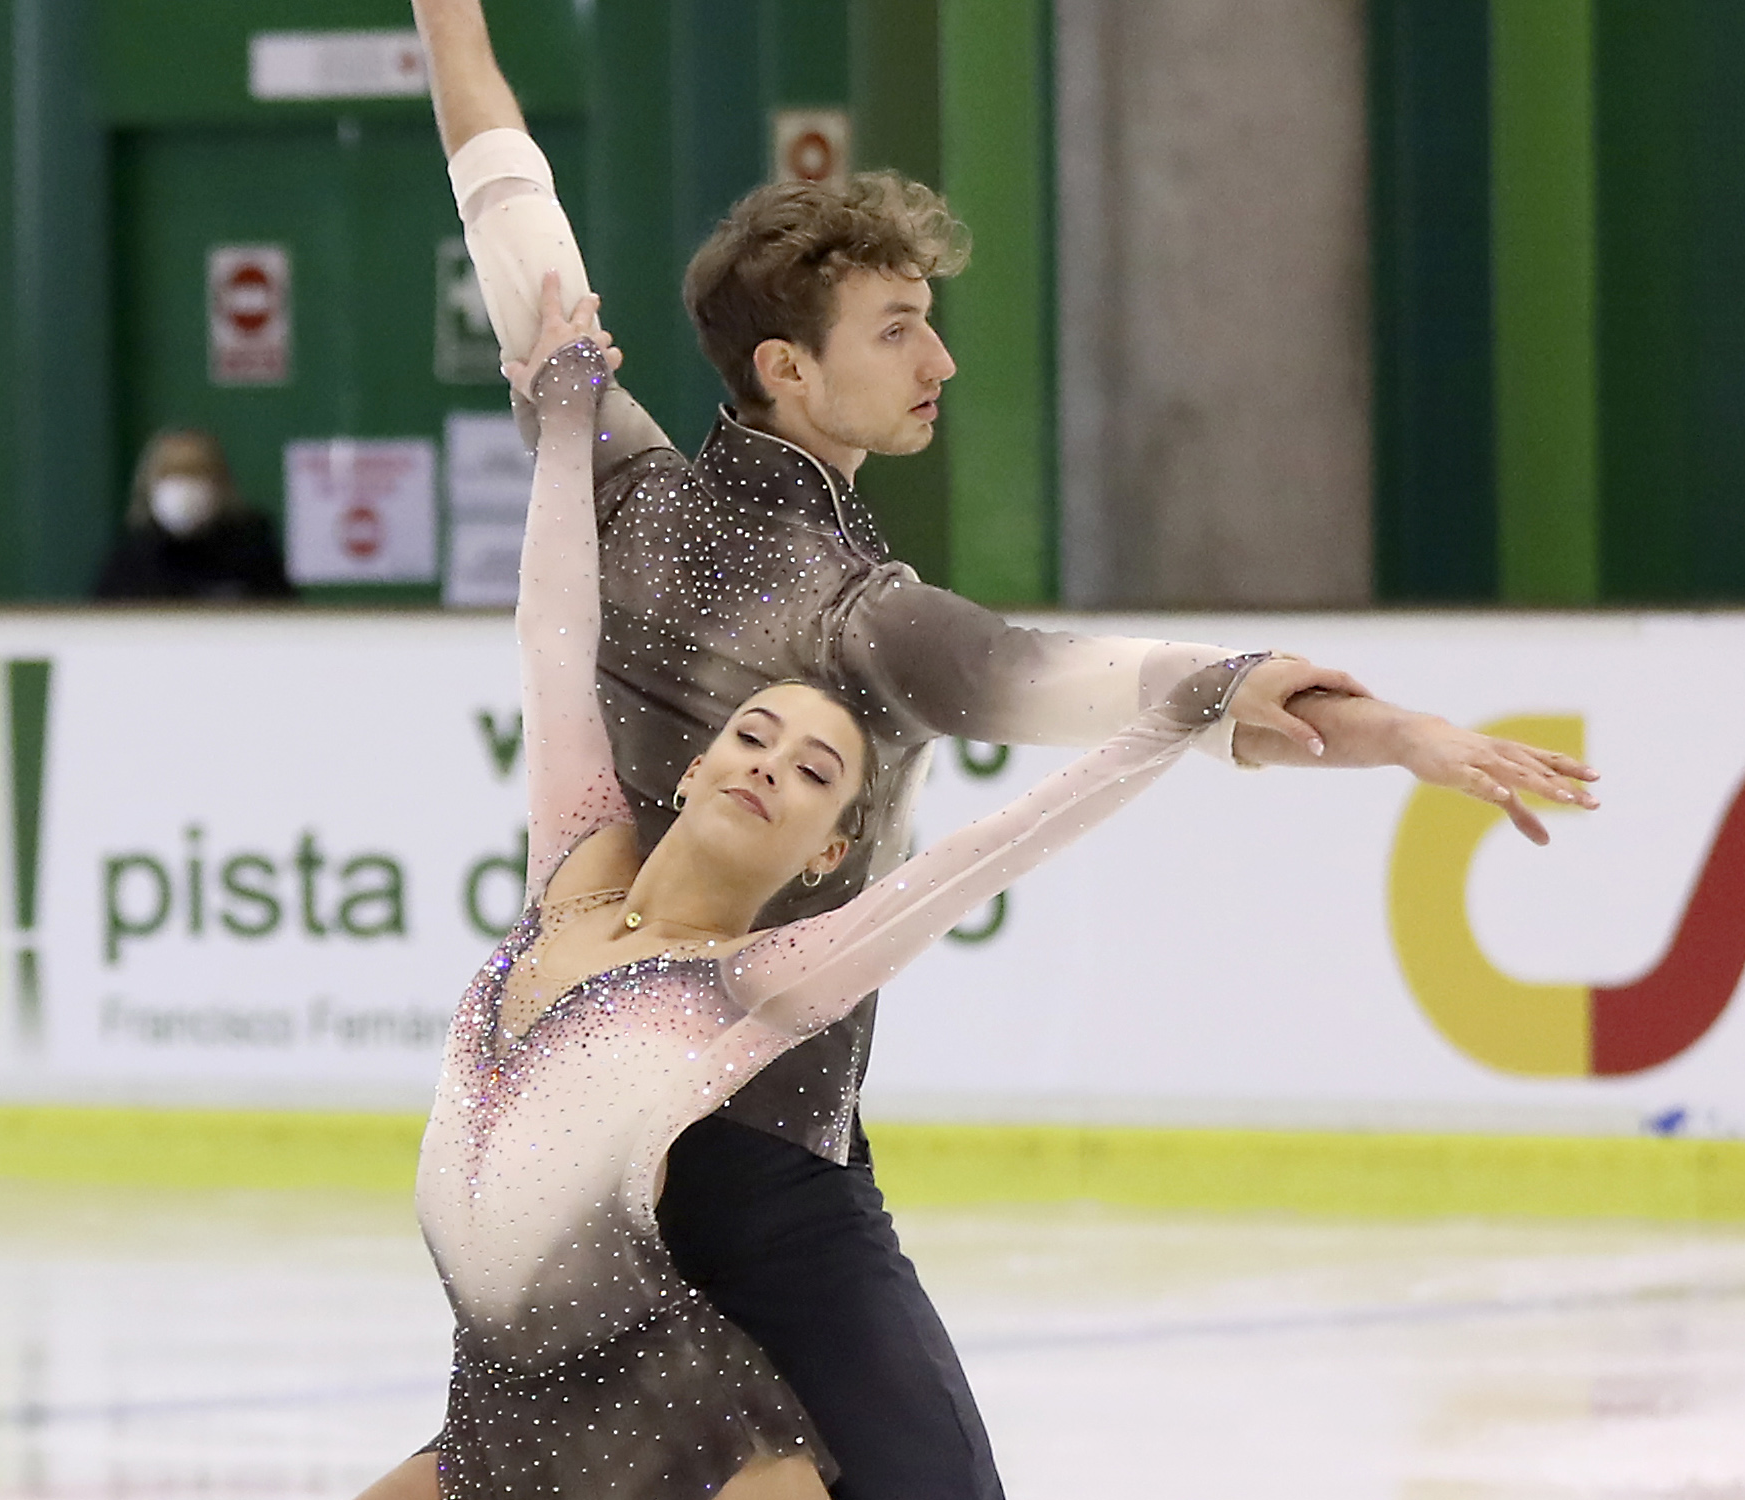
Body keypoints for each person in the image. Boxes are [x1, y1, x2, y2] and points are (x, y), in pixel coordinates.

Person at [404, 5, 1600, 1495]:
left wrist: (451, 25)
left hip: (597, 1169)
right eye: (897, 331)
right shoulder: (856, 612)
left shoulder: (626, 490)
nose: (942, 362)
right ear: (787, 369)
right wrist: (1384, 727)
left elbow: (511, 207)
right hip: (758, 1149)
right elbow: (1089, 682)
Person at [383, 289, 1270, 1500]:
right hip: (500, 1411)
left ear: (821, 856)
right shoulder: (576, 867)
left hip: (679, 1434)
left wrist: (1189, 710)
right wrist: (559, 418)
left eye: (814, 773)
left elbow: (989, 854)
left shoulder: (749, 983)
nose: (766, 766)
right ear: (694, 764)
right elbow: (551, 636)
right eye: (754, 736)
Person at [94, 429, 296, 601]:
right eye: (171, 473)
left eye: (196, 472)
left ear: (220, 484)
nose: (184, 486)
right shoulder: (131, 559)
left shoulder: (252, 550)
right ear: (149, 485)